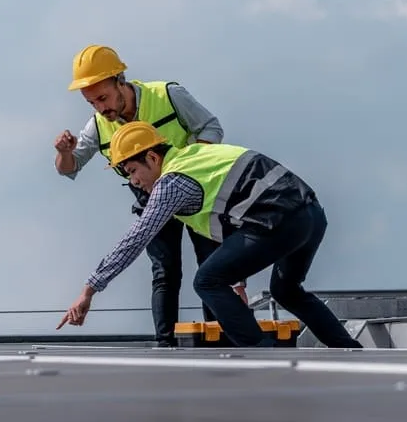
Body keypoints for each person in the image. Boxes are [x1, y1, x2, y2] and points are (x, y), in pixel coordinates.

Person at [56, 121, 363, 349]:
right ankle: (349, 349)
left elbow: (137, 237)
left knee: (205, 280)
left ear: (152, 158)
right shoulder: (196, 156)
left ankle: (264, 355)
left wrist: (89, 290)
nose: (135, 182)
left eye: (133, 170)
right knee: (287, 291)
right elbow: (231, 224)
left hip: (278, 220)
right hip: (309, 215)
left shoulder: (172, 183)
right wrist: (238, 282)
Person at [54, 44, 247, 347]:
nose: (101, 108)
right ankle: (166, 344)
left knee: (211, 267)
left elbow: (211, 127)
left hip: (194, 193)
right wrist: (64, 153)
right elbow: (70, 168)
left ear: (121, 81)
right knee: (165, 271)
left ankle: (221, 339)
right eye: (92, 103)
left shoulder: (169, 96)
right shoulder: (98, 125)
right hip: (151, 197)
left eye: (103, 98)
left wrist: (191, 166)